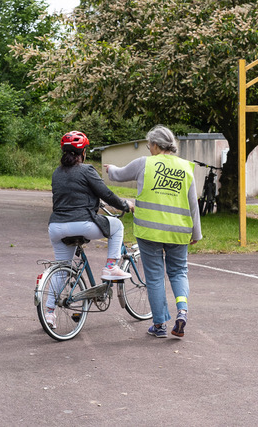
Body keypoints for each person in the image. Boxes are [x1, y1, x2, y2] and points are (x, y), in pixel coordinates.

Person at [105, 125, 202, 338]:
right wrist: (196, 233)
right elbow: (193, 203)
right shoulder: (186, 167)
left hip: (149, 232)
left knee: (156, 277)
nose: (149, 149)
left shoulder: (144, 164)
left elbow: (119, 175)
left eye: (150, 145)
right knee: (178, 272)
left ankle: (159, 326)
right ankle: (182, 311)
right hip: (178, 231)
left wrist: (110, 168)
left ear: (156, 145)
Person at [46, 131, 134, 328]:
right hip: (81, 223)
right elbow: (106, 193)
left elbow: (70, 194)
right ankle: (111, 266)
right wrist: (125, 205)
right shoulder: (87, 170)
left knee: (61, 271)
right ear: (83, 152)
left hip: (56, 227)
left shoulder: (56, 173)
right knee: (117, 226)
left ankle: (49, 313)